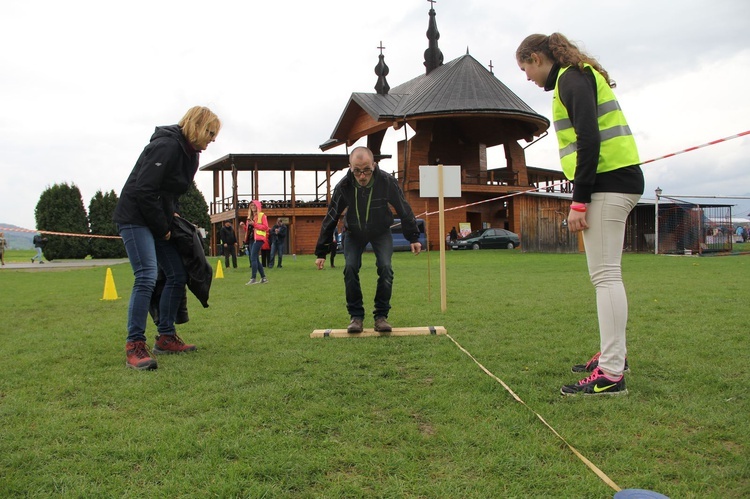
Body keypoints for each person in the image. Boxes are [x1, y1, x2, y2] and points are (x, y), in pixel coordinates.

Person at [516, 33, 644, 396]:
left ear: (537, 58)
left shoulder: (571, 79)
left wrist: (579, 201)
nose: (526, 76)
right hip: (617, 180)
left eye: (525, 67)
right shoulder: (576, 76)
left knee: (605, 277)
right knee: (607, 276)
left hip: (608, 183)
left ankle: (612, 373)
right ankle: (613, 354)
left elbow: (589, 140)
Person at [113, 105, 221, 370]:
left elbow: (170, 193)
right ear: (196, 125)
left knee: (177, 274)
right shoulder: (166, 146)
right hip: (135, 218)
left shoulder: (190, 154)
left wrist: (175, 219)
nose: (213, 139)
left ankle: (165, 336)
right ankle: (134, 345)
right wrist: (163, 228)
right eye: (210, 132)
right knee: (147, 275)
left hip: (158, 218)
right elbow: (144, 190)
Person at [314, 146, 422, 333]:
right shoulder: (344, 186)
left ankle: (381, 316)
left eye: (366, 170)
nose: (362, 176)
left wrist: (413, 236)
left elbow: (403, 208)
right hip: (353, 233)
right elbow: (331, 217)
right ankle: (356, 317)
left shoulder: (387, 182)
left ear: (374, 165)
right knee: (350, 268)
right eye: (356, 171)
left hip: (380, 231)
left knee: (386, 268)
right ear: (350, 167)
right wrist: (321, 251)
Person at [244, 200, 269, 285]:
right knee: (256, 259)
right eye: (251, 206)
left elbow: (265, 227)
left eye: (254, 205)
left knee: (253, 258)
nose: (253, 207)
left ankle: (253, 278)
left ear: (258, 206)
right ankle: (263, 278)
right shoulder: (250, 217)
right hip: (251, 239)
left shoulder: (262, 216)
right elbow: (249, 230)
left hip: (258, 239)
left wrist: (254, 224)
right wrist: (244, 226)